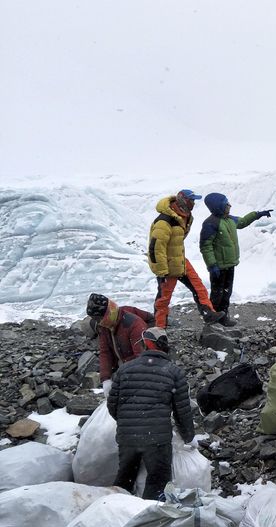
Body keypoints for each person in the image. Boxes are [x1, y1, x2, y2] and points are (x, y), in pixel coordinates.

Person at [107, 327, 195, 500]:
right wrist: (188, 436)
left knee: (125, 480)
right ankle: (150, 513)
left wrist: (128, 422)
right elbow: (182, 411)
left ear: (146, 344)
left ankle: (116, 509)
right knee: (158, 483)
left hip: (128, 437)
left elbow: (112, 405)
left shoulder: (124, 369)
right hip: (157, 440)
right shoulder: (174, 372)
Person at [147, 189, 224, 328]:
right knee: (164, 298)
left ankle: (209, 314)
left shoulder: (185, 217)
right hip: (168, 265)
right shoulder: (164, 221)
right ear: (183, 200)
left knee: (198, 287)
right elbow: (155, 248)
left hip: (180, 260)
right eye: (191, 200)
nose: (193, 203)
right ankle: (159, 328)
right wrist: (161, 271)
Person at [199, 192, 273, 327]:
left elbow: (243, 222)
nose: (229, 205)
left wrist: (257, 214)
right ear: (218, 206)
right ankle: (212, 319)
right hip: (218, 266)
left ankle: (224, 317)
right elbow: (205, 246)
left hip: (230, 264)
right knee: (217, 294)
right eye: (226, 203)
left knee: (227, 293)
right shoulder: (211, 223)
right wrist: (212, 265)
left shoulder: (230, 219)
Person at [85, 293, 154, 394]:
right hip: (122, 367)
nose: (99, 322)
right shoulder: (104, 326)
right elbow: (105, 352)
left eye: (99, 319)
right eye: (96, 320)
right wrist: (106, 379)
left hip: (139, 369)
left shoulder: (134, 324)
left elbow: (141, 358)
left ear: (107, 313)